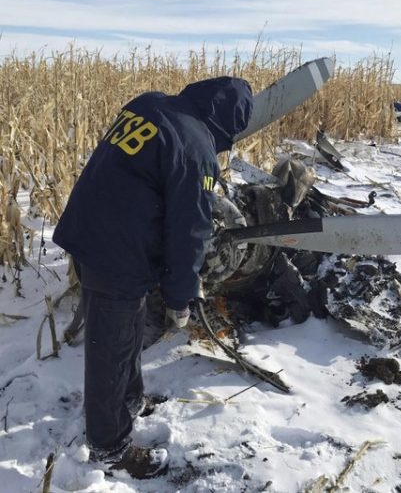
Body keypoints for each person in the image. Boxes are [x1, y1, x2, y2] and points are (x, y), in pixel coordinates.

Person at [53, 77, 253, 479]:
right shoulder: (197, 149)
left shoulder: (150, 104)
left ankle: (129, 401)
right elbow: (189, 234)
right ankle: (111, 448)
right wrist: (180, 300)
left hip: (90, 232)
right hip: (117, 253)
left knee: (125, 331)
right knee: (110, 351)